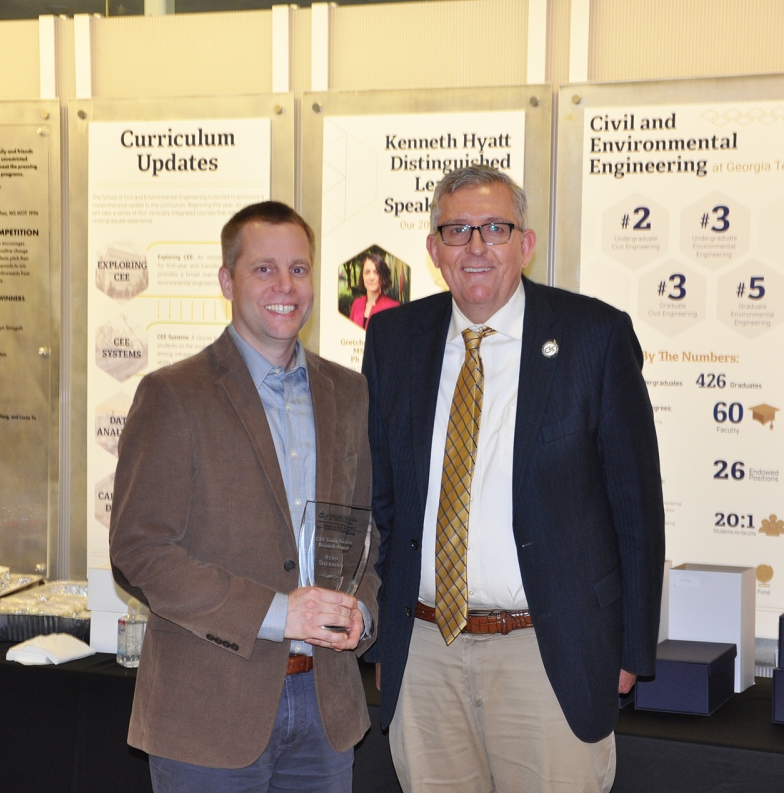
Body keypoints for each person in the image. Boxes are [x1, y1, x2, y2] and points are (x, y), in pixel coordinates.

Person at [362, 165, 665, 792]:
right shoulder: (394, 339)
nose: (476, 247)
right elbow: (382, 500)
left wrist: (631, 649)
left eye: (495, 228)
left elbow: (635, 504)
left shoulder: (593, 337)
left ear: (524, 244)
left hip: (547, 649)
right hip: (424, 651)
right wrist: (387, 638)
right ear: (433, 250)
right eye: (457, 230)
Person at [110, 201, 380, 793]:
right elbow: (140, 549)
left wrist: (361, 611)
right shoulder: (173, 395)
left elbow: (364, 533)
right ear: (227, 282)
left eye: (300, 269)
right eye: (264, 270)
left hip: (326, 706)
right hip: (209, 714)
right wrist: (281, 613)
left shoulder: (348, 391)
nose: (286, 287)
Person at [348, 253, 399, 329]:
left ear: (383, 276)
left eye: (376, 272)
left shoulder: (393, 307)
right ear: (363, 276)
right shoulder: (356, 304)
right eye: (367, 272)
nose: (371, 277)